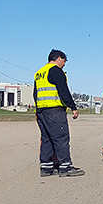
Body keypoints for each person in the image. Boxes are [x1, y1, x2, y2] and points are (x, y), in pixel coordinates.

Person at [33, 49, 85, 177]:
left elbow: (35, 93)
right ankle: (65, 166)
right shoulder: (56, 70)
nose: (64, 64)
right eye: (64, 61)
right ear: (59, 58)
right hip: (55, 110)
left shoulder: (39, 73)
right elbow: (63, 90)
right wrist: (73, 107)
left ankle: (46, 168)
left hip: (41, 110)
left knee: (47, 138)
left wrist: (38, 109)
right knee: (61, 138)